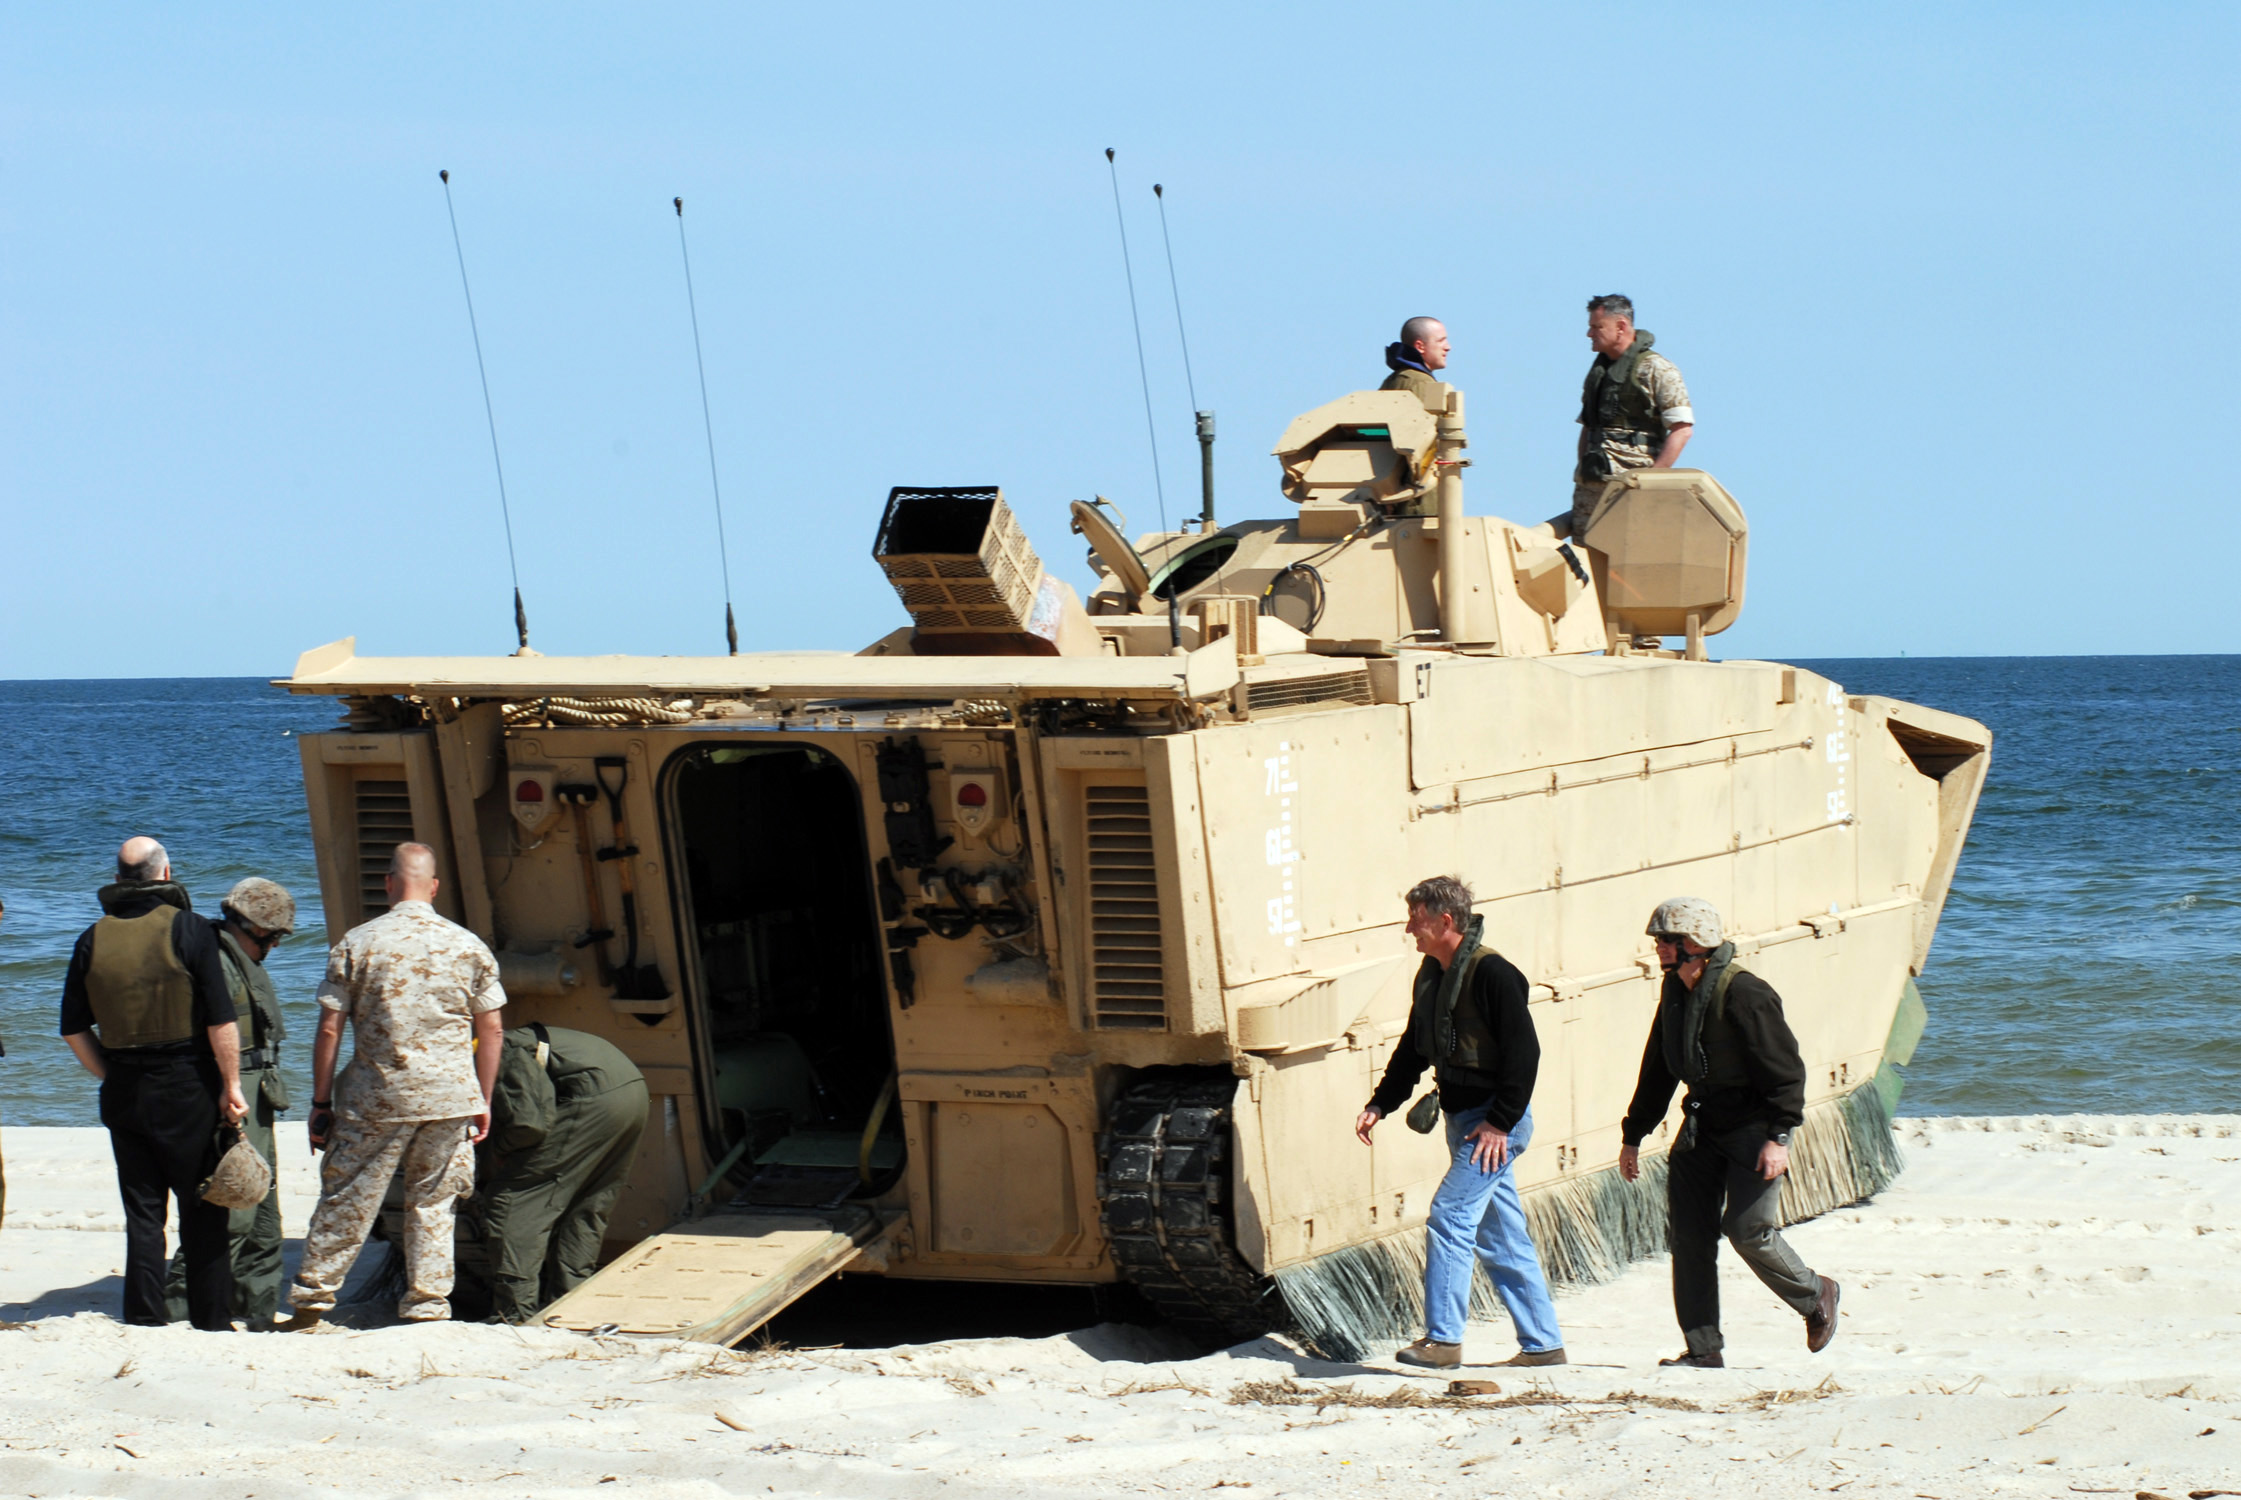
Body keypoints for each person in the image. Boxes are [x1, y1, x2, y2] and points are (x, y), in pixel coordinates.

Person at [281, 844, 505, 1328]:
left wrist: (321, 1101)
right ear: (435, 886)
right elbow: (492, 1031)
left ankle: (312, 1303)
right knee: (433, 1203)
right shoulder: (468, 946)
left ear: (387, 884)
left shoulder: (356, 944)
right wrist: (482, 1098)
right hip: (449, 1097)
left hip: (376, 1098)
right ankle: (426, 1305)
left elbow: (328, 1029)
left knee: (348, 1197)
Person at [1618, 897, 1840, 1368]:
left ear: (1693, 944)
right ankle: (1703, 1350)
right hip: (1702, 1126)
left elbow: (1786, 1073)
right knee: (1689, 1239)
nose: (1656, 947)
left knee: (1748, 1230)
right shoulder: (1674, 991)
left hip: (1755, 1127)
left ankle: (1815, 1293)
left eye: (1665, 940)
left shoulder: (1746, 994)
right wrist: (1633, 1135)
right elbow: (1657, 1069)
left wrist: (1779, 1137)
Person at [1355, 876, 1566, 1369]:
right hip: (1463, 1120)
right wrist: (1381, 1103)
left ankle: (1444, 1340)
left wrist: (1499, 1124)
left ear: (1445, 921)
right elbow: (1413, 1046)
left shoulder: (1494, 974)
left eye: (1417, 918)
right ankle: (1543, 1345)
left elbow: (1524, 1053)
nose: (1410, 929)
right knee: (1501, 1235)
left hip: (1492, 1127)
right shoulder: (1432, 973)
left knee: (1450, 1217)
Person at [59, 837, 247, 1330]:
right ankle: (211, 1321)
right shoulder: (189, 929)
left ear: (119, 880)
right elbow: (220, 1021)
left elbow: (72, 1029)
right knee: (203, 1210)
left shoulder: (90, 939)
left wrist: (110, 1073)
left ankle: (144, 1317)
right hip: (188, 1084)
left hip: (124, 1088)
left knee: (144, 1214)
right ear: (166, 875)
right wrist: (232, 1086)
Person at [163, 877, 295, 1327]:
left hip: (257, 1086)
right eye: (274, 936)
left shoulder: (236, 956)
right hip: (235, 1088)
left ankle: (256, 1310)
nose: (275, 946)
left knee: (263, 1211)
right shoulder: (214, 959)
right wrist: (228, 1089)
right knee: (234, 1206)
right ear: (253, 929)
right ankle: (180, 1304)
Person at [476, 1024, 649, 1323]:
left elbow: (528, 1125)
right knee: (585, 1205)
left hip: (595, 1096)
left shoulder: (494, 1051)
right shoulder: (515, 1042)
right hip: (632, 1091)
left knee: (514, 1199)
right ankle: (573, 1308)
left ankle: (513, 1316)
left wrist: (493, 1155)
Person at [1569, 294, 1695, 540]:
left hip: (1632, 486)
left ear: (1621, 327)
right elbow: (1588, 426)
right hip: (1592, 487)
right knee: (1584, 561)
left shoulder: (1658, 369)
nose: (1589, 334)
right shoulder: (1599, 374)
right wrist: (1583, 467)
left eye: (1597, 327)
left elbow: (1682, 429)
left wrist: (1650, 482)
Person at [1380, 316, 1451, 410]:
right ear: (1420, 346)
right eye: (1440, 341)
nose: (1448, 347)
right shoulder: (1420, 382)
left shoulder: (1393, 379)